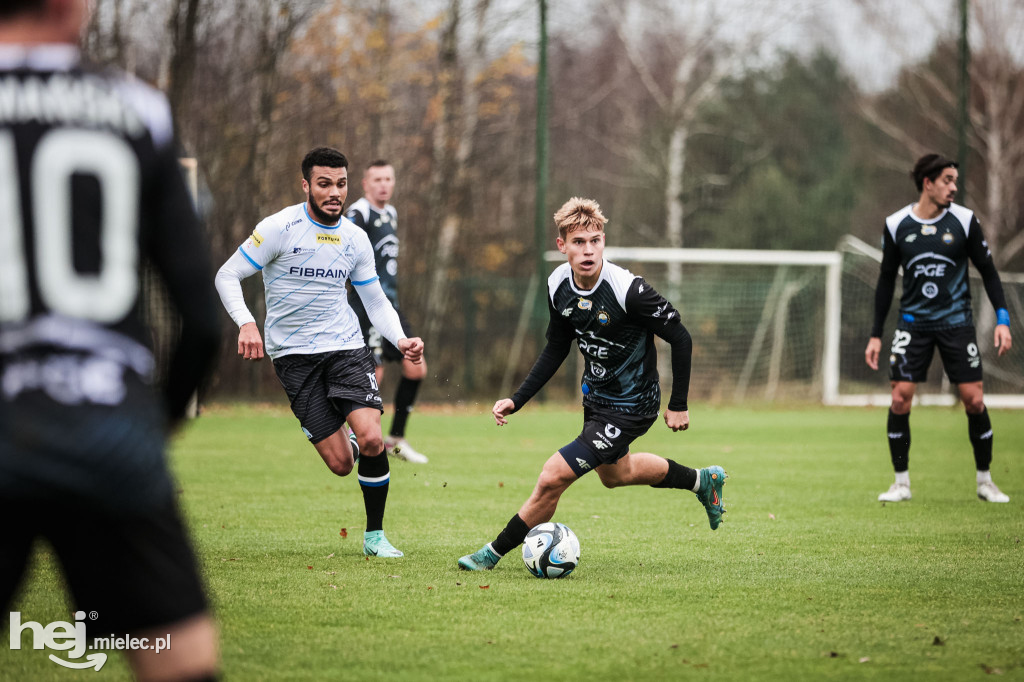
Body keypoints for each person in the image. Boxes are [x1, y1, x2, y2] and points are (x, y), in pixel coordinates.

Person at [0, 0, 221, 679]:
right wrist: (148, 424)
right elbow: (202, 322)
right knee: (181, 660)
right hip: (107, 425)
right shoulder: (136, 109)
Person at [458, 197, 727, 572]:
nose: (588, 250)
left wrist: (678, 402)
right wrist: (517, 400)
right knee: (617, 475)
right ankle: (703, 481)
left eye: (595, 241)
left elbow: (681, 338)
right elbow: (556, 347)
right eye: (579, 242)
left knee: (553, 476)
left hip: (635, 403)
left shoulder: (627, 290)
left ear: (604, 241)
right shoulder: (557, 285)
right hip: (598, 400)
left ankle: (491, 553)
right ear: (562, 246)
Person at [215, 147, 423, 559]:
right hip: (292, 358)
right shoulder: (279, 227)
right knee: (342, 464)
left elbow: (376, 301)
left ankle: (375, 537)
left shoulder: (354, 238)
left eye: (341, 184)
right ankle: (342, 434)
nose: (334, 192)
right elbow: (227, 275)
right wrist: (246, 322)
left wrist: (400, 339)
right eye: (324, 183)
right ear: (306, 184)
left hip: (346, 347)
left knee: (372, 438)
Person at [865, 153, 1013, 503]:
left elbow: (989, 273)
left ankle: (984, 481)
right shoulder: (897, 224)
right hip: (913, 325)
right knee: (900, 397)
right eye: (947, 180)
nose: (953, 187)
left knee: (974, 400)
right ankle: (901, 483)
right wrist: (874, 333)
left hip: (956, 323)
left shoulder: (963, 221)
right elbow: (886, 282)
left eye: (955, 181)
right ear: (927, 183)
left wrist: (1003, 319)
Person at [346, 160, 428, 463]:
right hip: (366, 305)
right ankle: (357, 437)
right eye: (377, 179)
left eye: (388, 179)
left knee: (416, 367)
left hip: (389, 304)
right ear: (365, 183)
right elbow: (344, 249)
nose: (383, 184)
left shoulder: (390, 213)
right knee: (374, 372)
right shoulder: (359, 212)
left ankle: (396, 437)